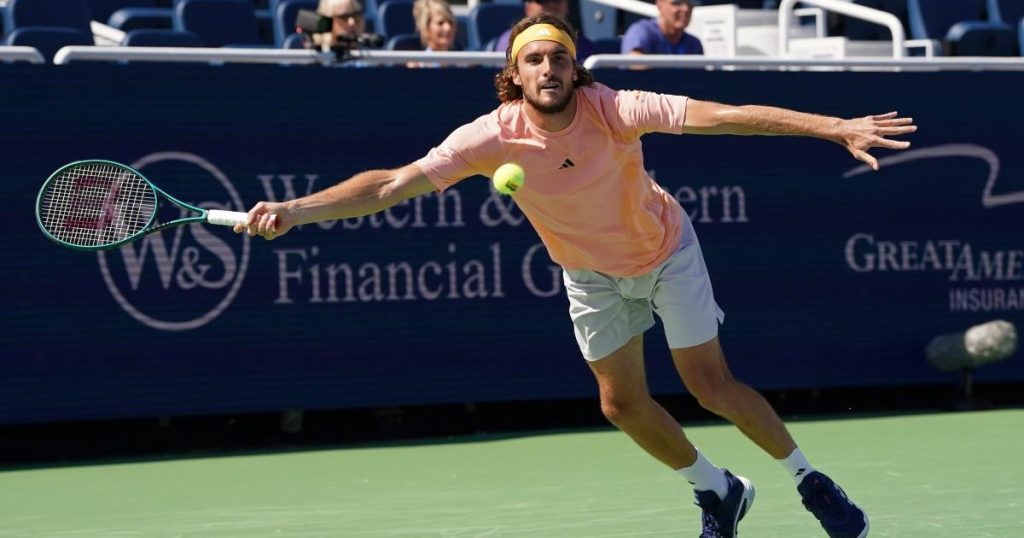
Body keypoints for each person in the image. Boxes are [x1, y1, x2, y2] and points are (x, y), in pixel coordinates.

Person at [239, 14, 915, 538]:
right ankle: (719, 490)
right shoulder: (489, 137)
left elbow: (724, 117)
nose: (549, 68)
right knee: (620, 404)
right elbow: (392, 183)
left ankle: (809, 480)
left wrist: (832, 127)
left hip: (666, 252)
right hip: (589, 275)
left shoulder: (614, 108)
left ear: (575, 67)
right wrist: (297, 211)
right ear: (514, 74)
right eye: (534, 59)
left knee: (709, 385)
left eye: (559, 57)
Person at [491, 0, 594, 61]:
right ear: (528, 7)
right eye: (543, 0)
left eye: (557, 0)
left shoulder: (583, 44)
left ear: (567, 6)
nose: (551, 5)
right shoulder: (511, 41)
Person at [621, 0, 703, 55]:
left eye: (690, 2)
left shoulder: (694, 44)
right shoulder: (641, 32)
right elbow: (634, 65)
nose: (686, 9)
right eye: (677, 3)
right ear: (660, 5)